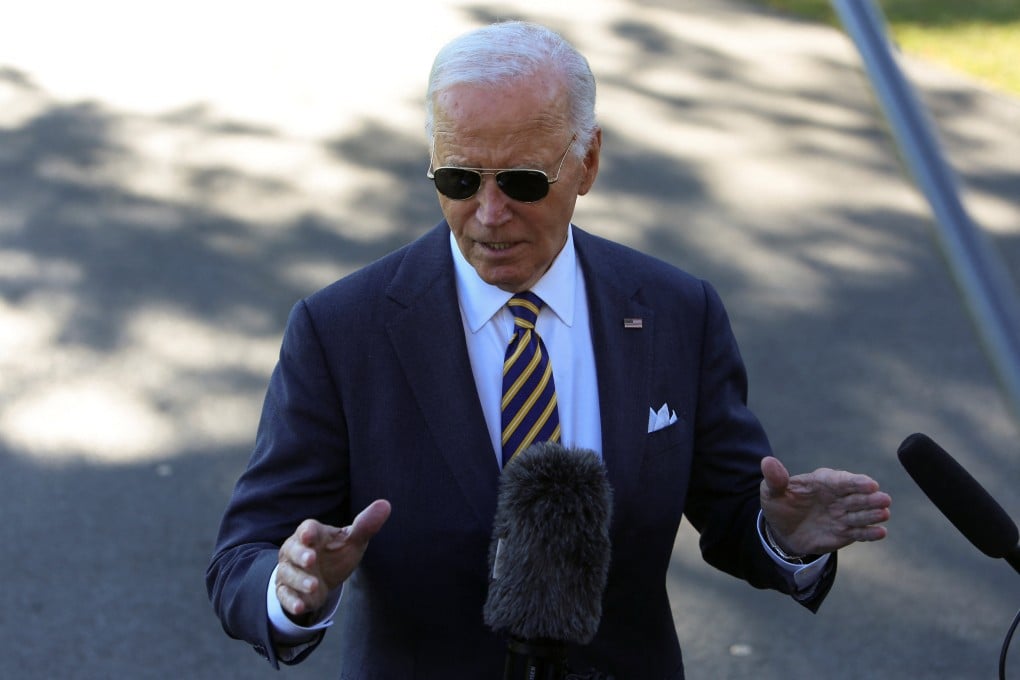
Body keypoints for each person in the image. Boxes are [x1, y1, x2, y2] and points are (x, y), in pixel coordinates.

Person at [207, 20, 892, 679]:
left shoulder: (678, 312)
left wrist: (784, 536)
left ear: (588, 160)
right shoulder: (339, 331)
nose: (490, 213)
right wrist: (289, 586)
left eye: (523, 181)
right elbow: (243, 556)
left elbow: (735, 509)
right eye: (459, 179)